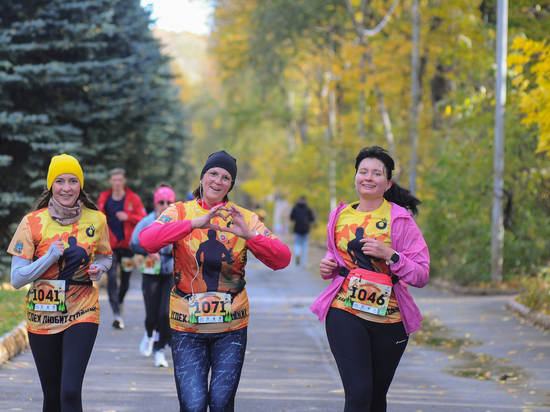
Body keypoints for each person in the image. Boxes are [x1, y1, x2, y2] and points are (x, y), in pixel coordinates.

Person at [139, 150, 291, 412]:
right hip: (187, 326)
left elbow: (282, 259)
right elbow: (147, 240)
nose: (218, 181)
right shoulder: (179, 211)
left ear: (231, 185)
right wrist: (193, 223)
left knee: (221, 404)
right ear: (202, 177)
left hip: (230, 327)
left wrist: (250, 235)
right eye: (213, 174)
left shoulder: (245, 217)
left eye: (225, 177)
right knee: (193, 405)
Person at [310, 146, 430, 412]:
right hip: (345, 311)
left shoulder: (401, 220)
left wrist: (392, 256)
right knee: (359, 394)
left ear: (387, 183)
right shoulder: (339, 216)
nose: (368, 177)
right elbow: (336, 259)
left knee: (375, 399)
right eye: (363, 171)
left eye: (377, 173)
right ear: (355, 178)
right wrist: (327, 266)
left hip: (390, 319)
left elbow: (421, 275)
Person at [8, 154, 112, 412]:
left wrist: (99, 268)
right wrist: (50, 257)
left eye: (73, 181)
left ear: (81, 185)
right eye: (60, 181)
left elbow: (106, 256)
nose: (67, 188)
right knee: (52, 395)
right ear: (51, 185)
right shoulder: (32, 222)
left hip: (83, 311)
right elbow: (17, 278)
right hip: (43, 315)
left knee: (69, 392)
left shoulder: (96, 220)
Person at [130, 183, 176, 368]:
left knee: (166, 313)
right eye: (161, 202)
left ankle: (159, 351)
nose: (164, 206)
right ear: (155, 204)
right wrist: (147, 250)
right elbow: (133, 243)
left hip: (172, 271)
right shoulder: (147, 221)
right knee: (152, 314)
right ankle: (149, 333)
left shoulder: (178, 221)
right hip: (151, 271)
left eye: (168, 202)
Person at [98, 167, 146, 329]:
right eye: (114, 180)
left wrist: (128, 217)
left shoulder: (133, 198)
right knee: (111, 278)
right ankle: (117, 314)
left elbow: (143, 219)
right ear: (110, 182)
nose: (117, 183)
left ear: (124, 181)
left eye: (120, 180)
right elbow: (99, 219)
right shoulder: (104, 198)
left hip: (127, 246)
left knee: (125, 280)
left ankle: (120, 302)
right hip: (110, 246)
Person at [290, 195, 315, 267]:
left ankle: (297, 254)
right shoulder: (308, 209)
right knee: (305, 246)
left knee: (297, 244)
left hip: (297, 229)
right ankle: (303, 262)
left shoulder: (295, 208)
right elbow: (312, 219)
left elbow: (292, 217)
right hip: (306, 230)